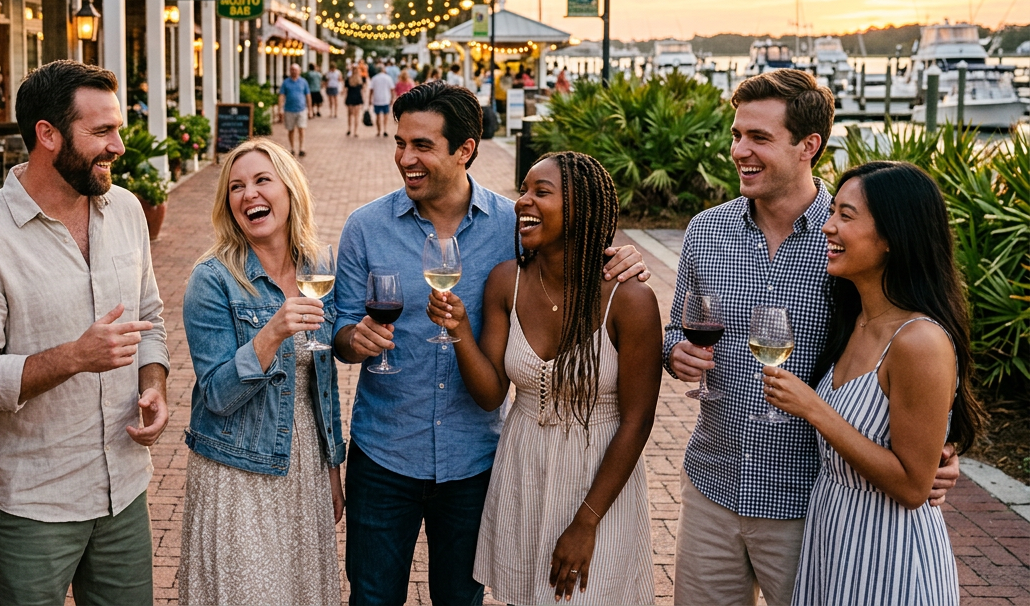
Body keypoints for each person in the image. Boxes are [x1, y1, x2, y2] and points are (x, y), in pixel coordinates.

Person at [332, 81, 649, 606]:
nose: (404, 158)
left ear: (464, 150)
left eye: (422, 146)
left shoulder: (515, 225)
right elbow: (339, 329)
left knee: (462, 600)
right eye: (399, 142)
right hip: (384, 451)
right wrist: (353, 338)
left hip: (476, 460)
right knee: (370, 597)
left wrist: (622, 257)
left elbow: (577, 255)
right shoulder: (365, 228)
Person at [664, 69, 960, 606]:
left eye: (758, 138)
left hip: (808, 506)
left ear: (809, 146)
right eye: (736, 135)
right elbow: (674, 330)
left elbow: (920, 342)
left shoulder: (852, 238)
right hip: (713, 483)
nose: (739, 151)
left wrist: (946, 444)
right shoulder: (705, 231)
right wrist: (675, 353)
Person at [0, 60, 169, 606]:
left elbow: (151, 317)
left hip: (125, 491)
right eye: (102, 131)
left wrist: (153, 382)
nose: (119, 146)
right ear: (48, 134)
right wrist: (72, 357)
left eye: (118, 128)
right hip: (33, 504)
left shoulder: (128, 211)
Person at [430, 151, 661, 605]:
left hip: (599, 481)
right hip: (523, 471)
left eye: (541, 192)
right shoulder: (505, 282)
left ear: (579, 206)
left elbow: (637, 421)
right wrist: (458, 333)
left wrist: (586, 521)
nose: (523, 202)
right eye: (523, 191)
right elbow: (491, 394)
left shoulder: (630, 299)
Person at [764, 161, 983, 605]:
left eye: (846, 216)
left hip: (888, 554)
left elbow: (912, 487)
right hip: (834, 535)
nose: (827, 227)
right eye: (832, 213)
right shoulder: (855, 318)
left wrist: (813, 409)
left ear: (891, 237)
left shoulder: (919, 340)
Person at [178, 138, 345, 606]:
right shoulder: (211, 279)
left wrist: (333, 467)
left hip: (304, 464)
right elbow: (215, 394)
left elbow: (321, 384)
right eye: (236, 187)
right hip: (238, 472)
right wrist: (268, 336)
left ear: (289, 190)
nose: (248, 194)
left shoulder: (318, 266)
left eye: (261, 180)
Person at [280, 63, 310, 157]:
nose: (294, 71)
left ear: (299, 71)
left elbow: (308, 95)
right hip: (289, 109)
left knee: (301, 129)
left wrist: (310, 109)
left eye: (295, 70)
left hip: (301, 109)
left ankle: (301, 148)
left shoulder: (303, 82)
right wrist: (280, 108)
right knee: (291, 130)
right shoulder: (285, 82)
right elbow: (281, 95)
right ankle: (292, 148)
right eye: (292, 69)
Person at [368, 66, 394, 138]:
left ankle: (379, 131)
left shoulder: (374, 78)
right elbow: (392, 89)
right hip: (386, 99)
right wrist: (392, 98)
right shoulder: (388, 78)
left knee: (378, 116)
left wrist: (369, 99)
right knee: (385, 116)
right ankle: (385, 129)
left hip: (377, 99)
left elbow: (371, 90)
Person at [344, 62, 366, 137]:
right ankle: (355, 131)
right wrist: (364, 100)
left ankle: (349, 129)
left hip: (350, 97)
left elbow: (345, 90)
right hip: (357, 98)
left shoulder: (348, 79)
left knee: (350, 115)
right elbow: (362, 91)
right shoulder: (360, 80)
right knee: (356, 115)